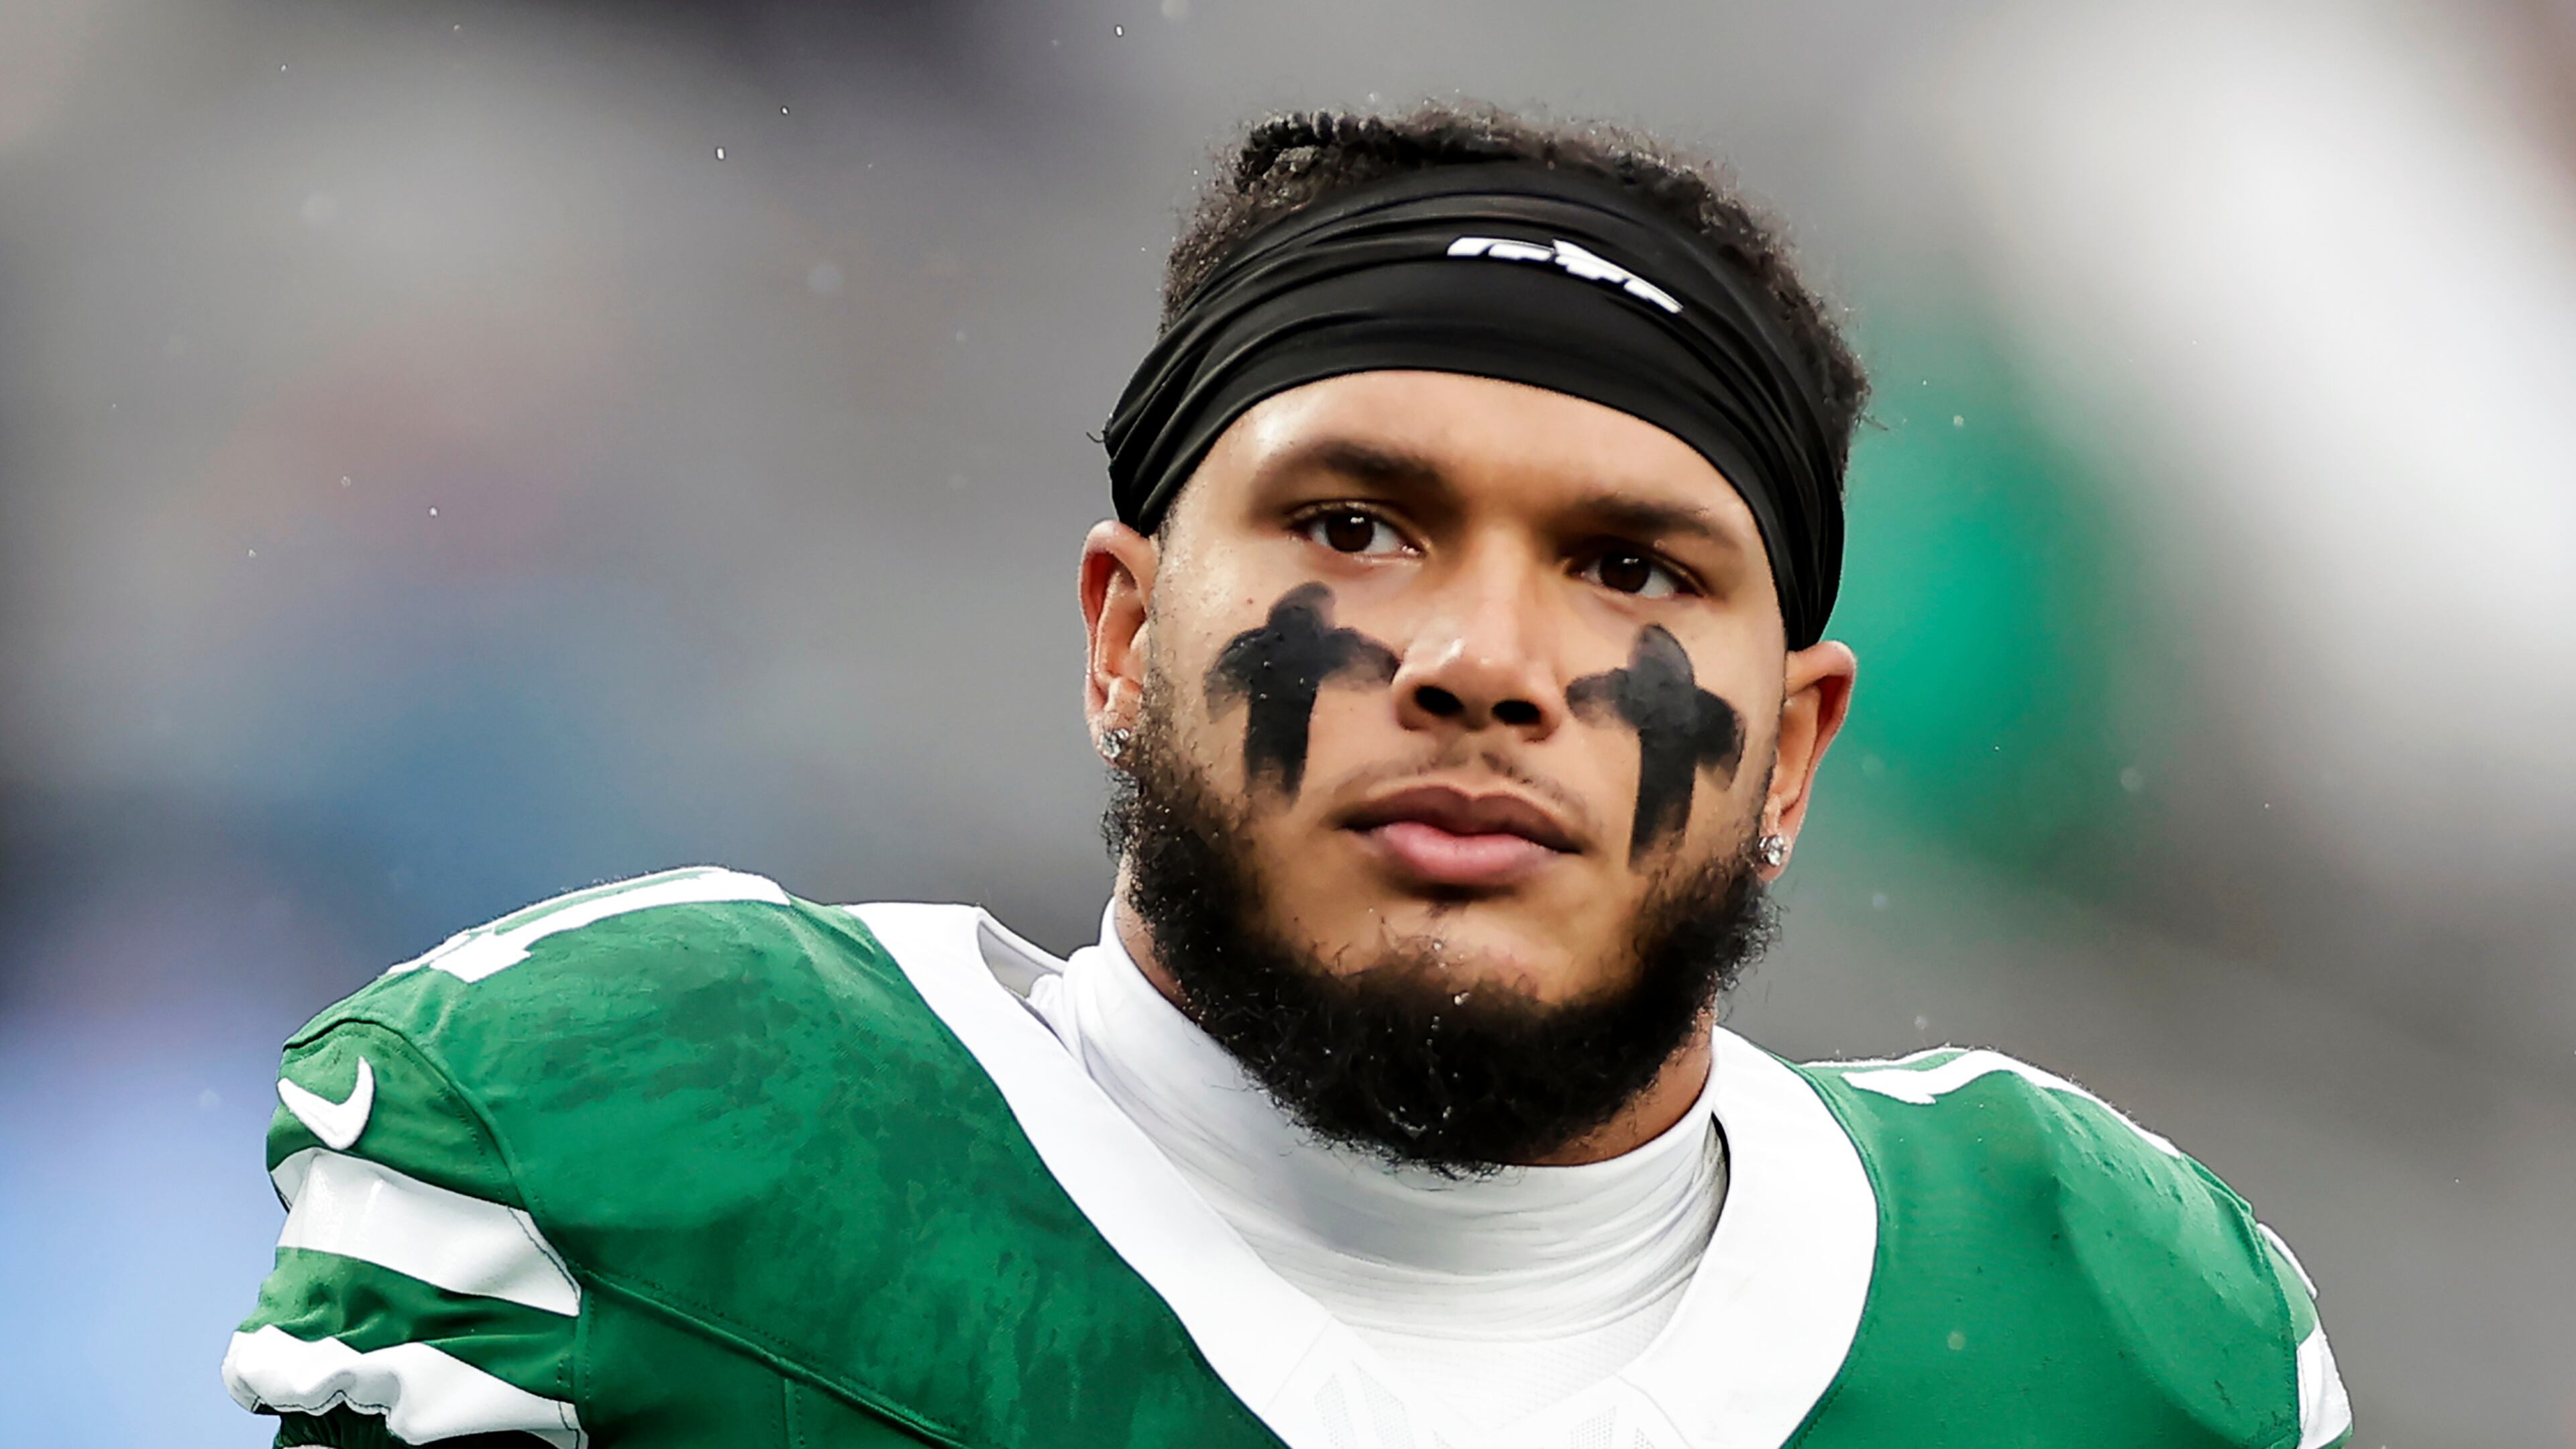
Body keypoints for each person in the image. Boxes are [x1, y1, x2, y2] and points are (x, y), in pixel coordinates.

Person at [220, 103, 2351, 1449]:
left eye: (1629, 566)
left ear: (1792, 747)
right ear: (1123, 637)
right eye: (1354, 524)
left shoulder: (2115, 1328)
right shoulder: (660, 1140)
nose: (1481, 665)